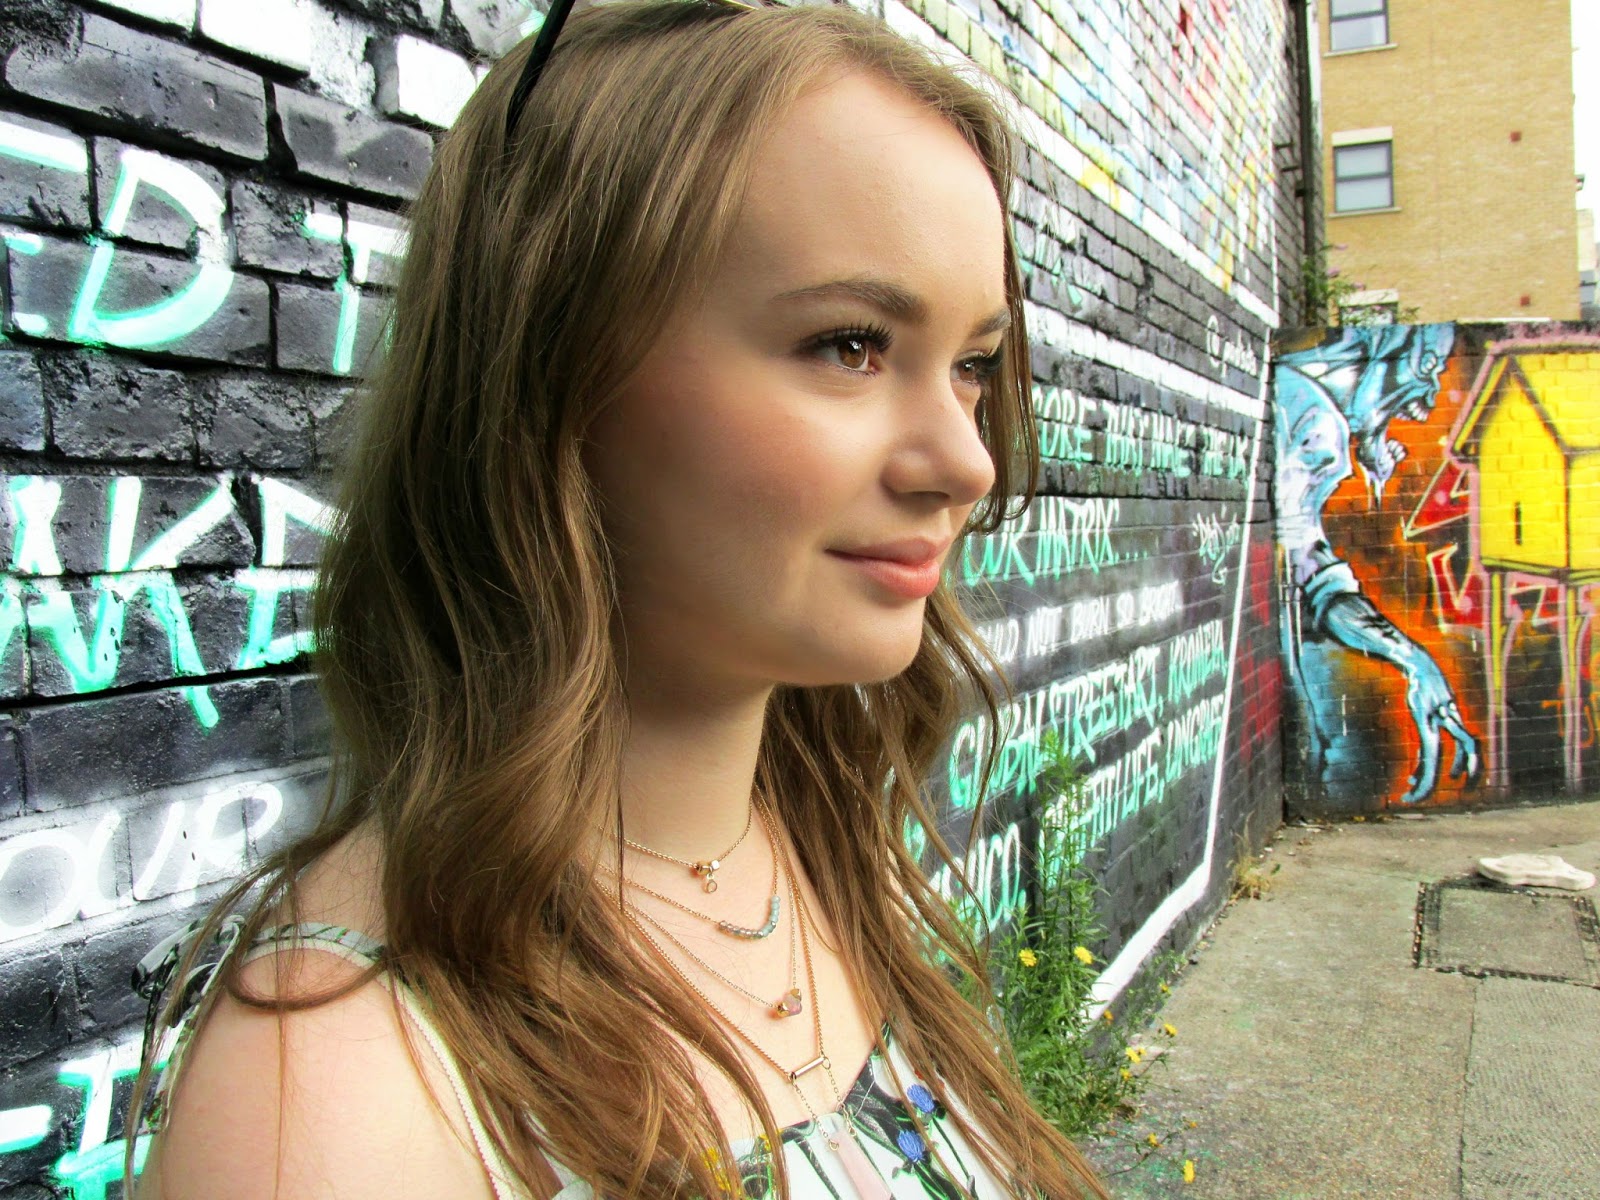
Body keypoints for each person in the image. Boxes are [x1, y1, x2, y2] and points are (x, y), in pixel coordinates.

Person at [129, 2, 1110, 1197]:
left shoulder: (813, 831)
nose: (966, 462)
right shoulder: (337, 1102)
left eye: (971, 366)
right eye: (850, 345)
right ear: (550, 370)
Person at [1274, 324, 1479, 804]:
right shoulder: (1315, 426)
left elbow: (1311, 577)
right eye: (1428, 365)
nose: (1431, 394)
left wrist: (1413, 658)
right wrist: (1412, 658)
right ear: (1385, 353)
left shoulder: (1300, 407)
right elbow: (1310, 574)